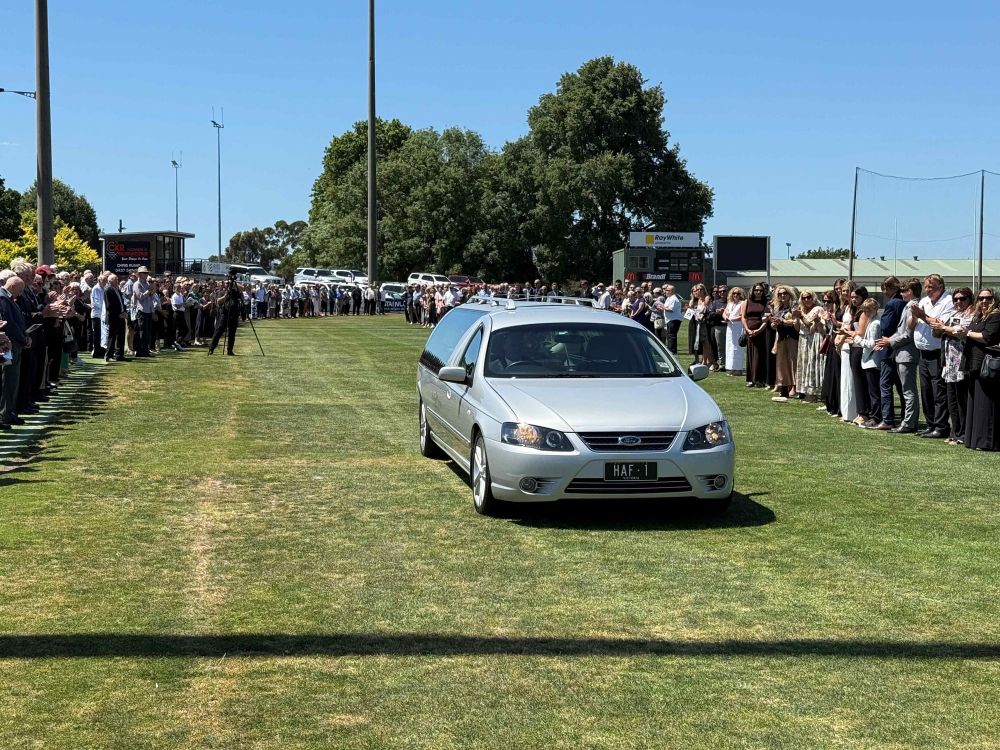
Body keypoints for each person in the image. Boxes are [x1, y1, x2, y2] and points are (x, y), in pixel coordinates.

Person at [909, 274, 954, 439]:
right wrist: (914, 315)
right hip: (923, 352)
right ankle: (930, 424)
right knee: (926, 391)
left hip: (937, 352)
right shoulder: (924, 301)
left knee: (938, 391)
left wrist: (922, 316)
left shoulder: (948, 301)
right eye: (926, 287)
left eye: (931, 287)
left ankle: (941, 426)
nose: (928, 290)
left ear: (941, 287)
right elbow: (911, 325)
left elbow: (939, 325)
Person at [876, 277, 921, 433]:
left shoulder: (913, 306)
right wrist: (890, 339)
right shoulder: (908, 306)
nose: (900, 294)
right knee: (906, 390)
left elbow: (907, 334)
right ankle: (908, 421)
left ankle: (909, 423)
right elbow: (901, 331)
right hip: (902, 352)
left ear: (910, 291)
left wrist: (889, 341)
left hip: (907, 353)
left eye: (903, 291)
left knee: (908, 390)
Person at [958, 288, 1000, 451]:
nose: (984, 301)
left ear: (994, 299)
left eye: (988, 298)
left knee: (986, 404)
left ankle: (986, 442)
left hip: (988, 365)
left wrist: (967, 332)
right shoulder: (978, 316)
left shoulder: (996, 316)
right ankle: (973, 440)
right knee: (975, 402)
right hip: (974, 363)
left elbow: (987, 336)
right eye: (981, 298)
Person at [931, 287, 974, 445]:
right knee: (952, 400)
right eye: (955, 299)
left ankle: (963, 434)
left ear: (969, 299)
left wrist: (943, 328)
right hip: (949, 363)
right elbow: (942, 330)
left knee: (962, 400)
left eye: (962, 299)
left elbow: (960, 331)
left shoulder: (972, 314)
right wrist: (939, 328)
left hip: (962, 363)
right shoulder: (953, 314)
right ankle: (955, 432)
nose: (958, 302)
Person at [854, 298, 883, 428]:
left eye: (868, 310)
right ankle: (874, 415)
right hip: (869, 361)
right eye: (864, 310)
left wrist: (858, 340)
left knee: (874, 392)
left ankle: (876, 417)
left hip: (872, 361)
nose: (865, 312)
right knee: (873, 391)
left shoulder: (876, 323)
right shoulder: (872, 321)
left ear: (874, 309)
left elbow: (872, 343)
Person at [793, 289, 824, 403]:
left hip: (813, 340)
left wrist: (801, 317)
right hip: (802, 340)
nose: (806, 300)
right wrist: (796, 317)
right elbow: (797, 328)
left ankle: (813, 394)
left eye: (809, 297)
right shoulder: (802, 310)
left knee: (811, 366)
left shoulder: (818, 309)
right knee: (803, 366)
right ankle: (804, 392)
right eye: (804, 298)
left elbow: (812, 328)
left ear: (813, 298)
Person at [769, 285, 799, 401]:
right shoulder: (779, 307)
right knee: (782, 364)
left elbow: (796, 322)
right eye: (780, 294)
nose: (782, 295)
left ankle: (794, 387)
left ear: (789, 294)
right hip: (781, 337)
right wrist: (774, 324)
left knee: (793, 363)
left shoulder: (794, 306)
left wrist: (782, 321)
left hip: (792, 337)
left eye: (784, 293)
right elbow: (775, 323)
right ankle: (784, 387)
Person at [741, 283, 768, 388]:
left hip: (761, 331)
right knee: (750, 354)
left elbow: (766, 318)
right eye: (756, 290)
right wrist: (747, 329)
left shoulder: (765, 302)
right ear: (752, 291)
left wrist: (759, 330)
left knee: (759, 355)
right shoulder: (747, 302)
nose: (758, 292)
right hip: (749, 331)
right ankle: (751, 379)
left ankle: (759, 379)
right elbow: (743, 317)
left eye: (761, 290)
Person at [209, 278, 242, 355]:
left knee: (232, 333)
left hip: (234, 314)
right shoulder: (221, 292)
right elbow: (218, 301)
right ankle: (212, 348)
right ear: (224, 284)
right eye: (227, 283)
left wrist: (234, 283)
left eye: (229, 283)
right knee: (218, 331)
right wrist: (225, 295)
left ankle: (230, 350)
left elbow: (243, 288)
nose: (228, 285)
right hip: (225, 314)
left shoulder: (235, 291)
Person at [102, 274, 128, 362]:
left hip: (121, 316)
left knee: (120, 336)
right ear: (110, 281)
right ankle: (108, 355)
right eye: (115, 279)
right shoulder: (108, 290)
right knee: (112, 336)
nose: (117, 281)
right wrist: (118, 314)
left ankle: (119, 355)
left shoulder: (117, 290)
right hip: (114, 317)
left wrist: (124, 312)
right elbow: (109, 305)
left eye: (117, 279)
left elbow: (121, 302)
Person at [723, 287, 745, 376]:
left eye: (738, 293)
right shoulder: (730, 303)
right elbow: (724, 313)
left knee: (737, 348)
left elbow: (743, 316)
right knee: (729, 347)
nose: (736, 295)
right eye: (734, 293)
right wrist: (725, 317)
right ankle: (731, 367)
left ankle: (738, 368)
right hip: (730, 327)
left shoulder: (743, 303)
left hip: (738, 326)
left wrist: (732, 318)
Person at [661, 284, 683, 354]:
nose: (665, 291)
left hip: (674, 319)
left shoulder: (674, 298)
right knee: (669, 334)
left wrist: (662, 307)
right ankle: (670, 349)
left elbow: (671, 309)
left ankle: (672, 350)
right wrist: (662, 307)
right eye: (666, 290)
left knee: (671, 335)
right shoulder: (669, 298)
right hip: (670, 319)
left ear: (672, 291)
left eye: (667, 290)